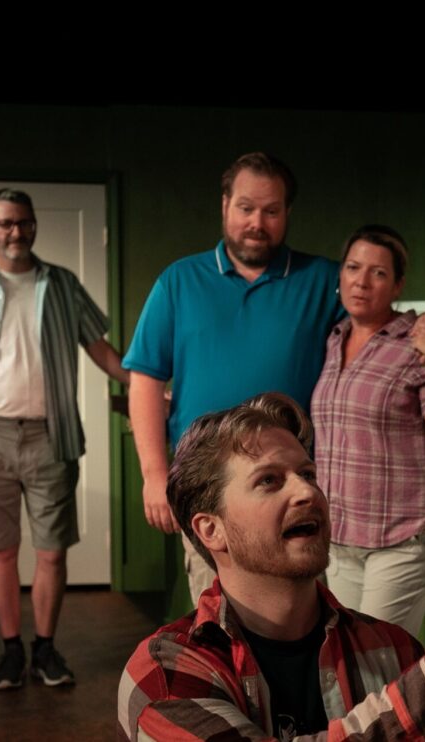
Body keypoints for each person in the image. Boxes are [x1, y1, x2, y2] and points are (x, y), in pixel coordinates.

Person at [116, 393, 425, 740]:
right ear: (211, 529)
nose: (307, 491)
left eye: (308, 474)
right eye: (269, 480)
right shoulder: (163, 674)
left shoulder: (395, 650)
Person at [123, 152, 344, 601]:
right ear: (225, 205)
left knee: (302, 612)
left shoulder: (324, 282)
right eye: (246, 208)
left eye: (271, 211)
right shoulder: (179, 281)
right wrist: (154, 474)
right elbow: (145, 380)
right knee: (220, 615)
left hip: (295, 485)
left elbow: (375, 338)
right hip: (209, 484)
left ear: (287, 213)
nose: (256, 222)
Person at [0, 187, 130, 690]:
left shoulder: (62, 284)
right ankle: (10, 650)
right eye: (4, 223)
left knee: (52, 551)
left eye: (23, 222)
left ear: (34, 225)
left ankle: (45, 649)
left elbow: (100, 348)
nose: (15, 231)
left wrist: (143, 382)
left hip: (50, 435)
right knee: (0, 552)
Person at [310, 225, 425, 635]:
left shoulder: (417, 343)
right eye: (353, 267)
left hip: (403, 536)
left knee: (377, 656)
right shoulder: (335, 339)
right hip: (342, 538)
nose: (362, 281)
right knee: (349, 653)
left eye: (378, 272)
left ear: (398, 285)